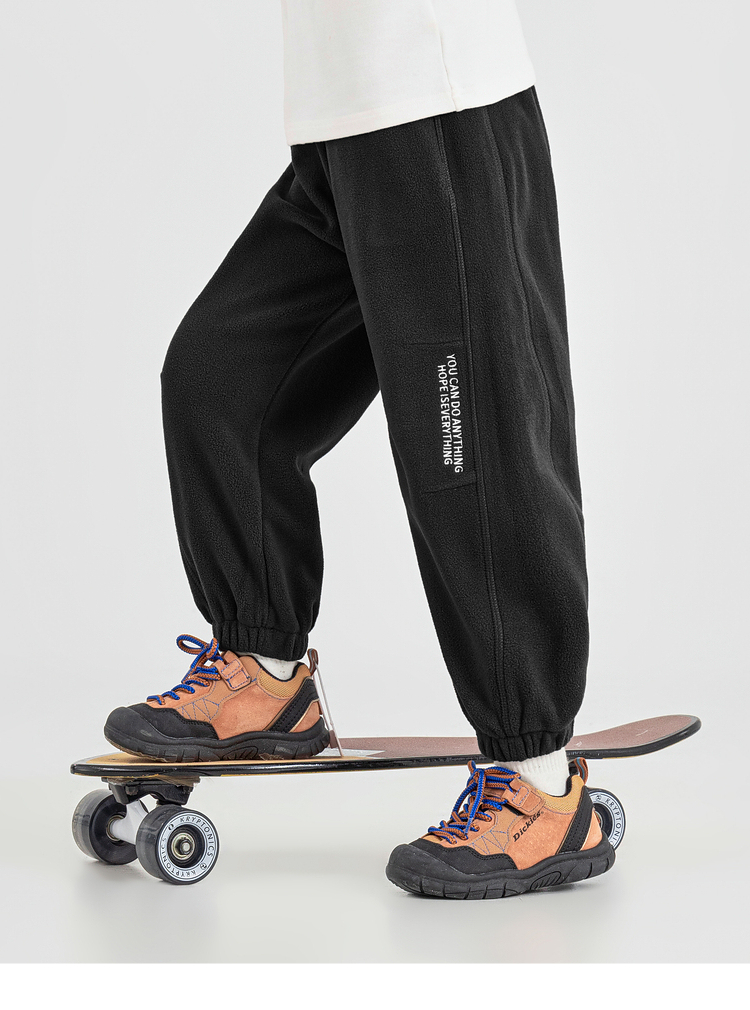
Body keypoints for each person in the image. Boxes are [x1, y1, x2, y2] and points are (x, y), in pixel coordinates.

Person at [104, 0, 615, 898]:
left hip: (439, 108)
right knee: (220, 383)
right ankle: (265, 669)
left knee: (470, 455)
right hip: (340, 125)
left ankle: (539, 783)